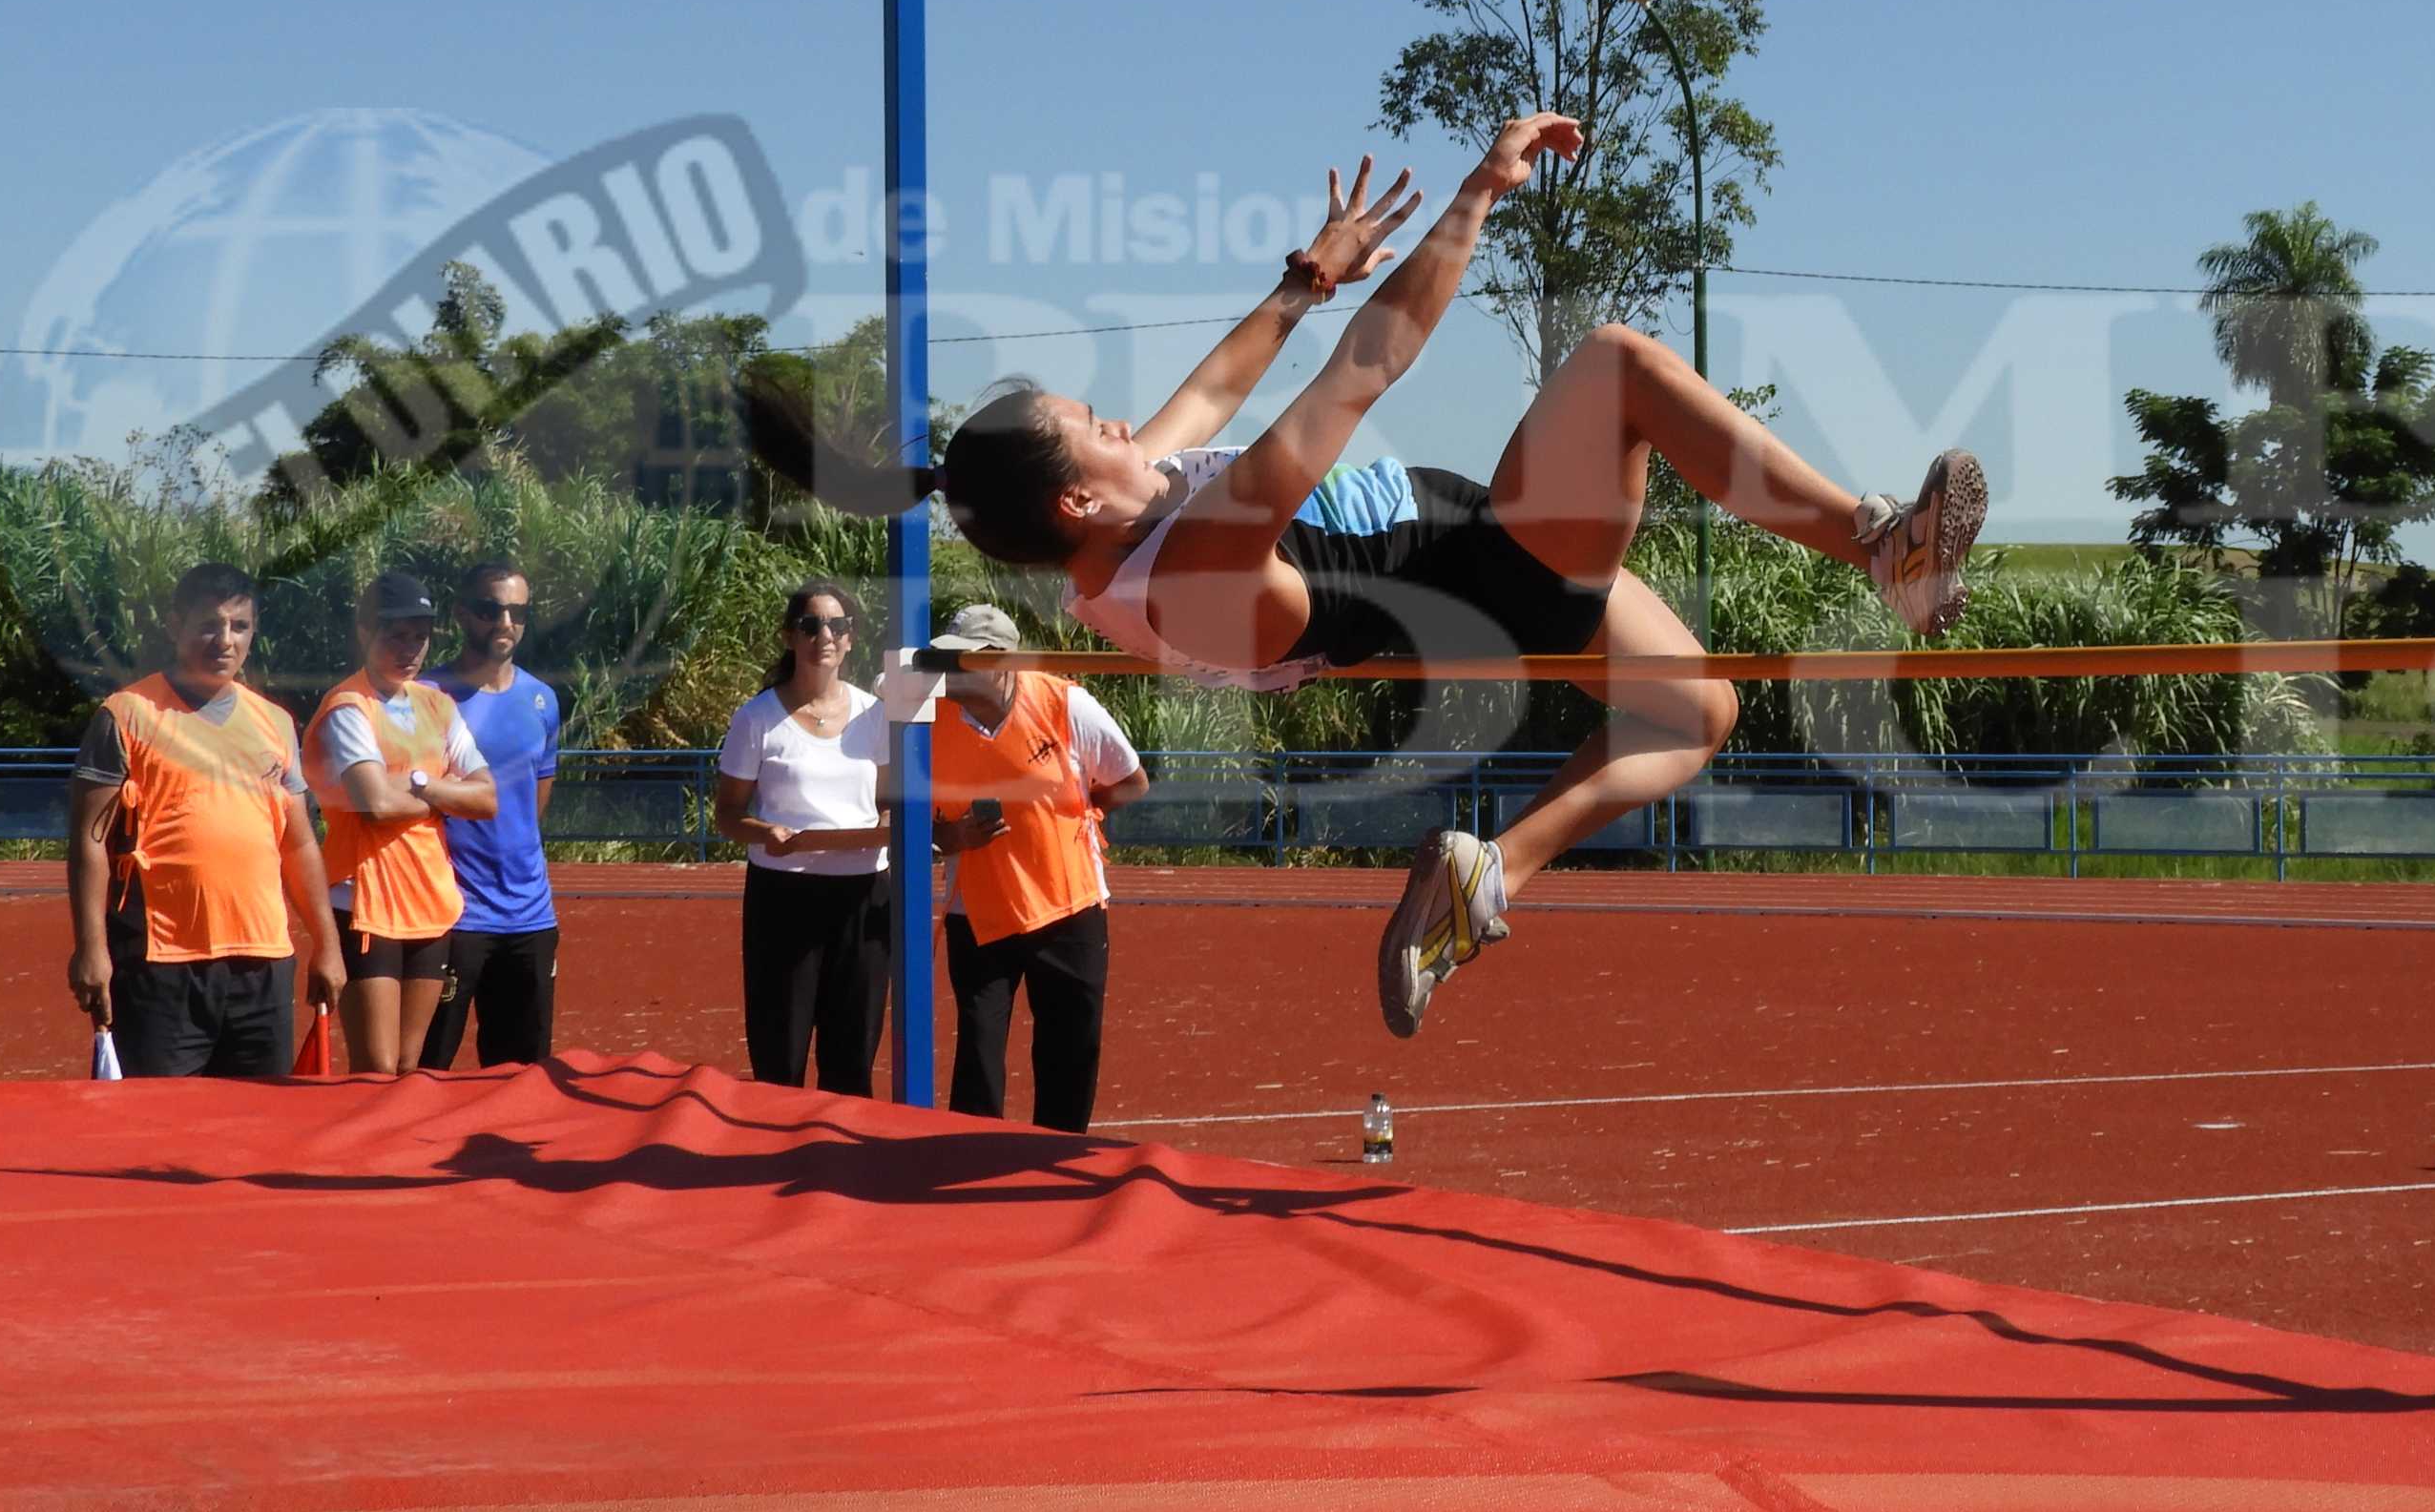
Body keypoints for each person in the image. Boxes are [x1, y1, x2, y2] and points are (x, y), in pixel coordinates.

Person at [931, 120, 1983, 1039]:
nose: (1124, 423)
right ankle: (1881, 549)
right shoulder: (1193, 570)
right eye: (1095, 425)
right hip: (1492, 571)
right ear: (1073, 499)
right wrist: (1480, 189)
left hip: (1478, 555)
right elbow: (1366, 368)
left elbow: (1210, 391)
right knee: (1618, 365)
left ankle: (1488, 875)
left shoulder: (1118, 543)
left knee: (1697, 711)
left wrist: (1305, 280)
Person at [64, 562, 343, 1079]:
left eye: (240, 626)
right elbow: (89, 840)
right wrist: (91, 949)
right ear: (176, 626)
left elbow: (299, 844)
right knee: (159, 1119)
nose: (225, 640)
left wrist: (327, 945)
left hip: (263, 964)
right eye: (210, 625)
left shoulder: (275, 724)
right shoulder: (126, 715)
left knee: (257, 1120)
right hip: (159, 963)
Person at [921, 603, 1150, 1133]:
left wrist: (1076, 811)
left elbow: (1131, 780)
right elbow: (905, 810)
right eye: (947, 659)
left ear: (1004, 660)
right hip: (978, 910)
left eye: (965, 660)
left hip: (1067, 904)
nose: (951, 671)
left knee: (1070, 1046)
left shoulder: (1065, 704)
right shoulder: (929, 719)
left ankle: (1057, 1150)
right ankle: (973, 1151)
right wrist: (949, 836)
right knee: (979, 1049)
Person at [306, 570, 501, 1073]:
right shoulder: (348, 707)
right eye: (396, 635)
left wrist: (418, 786)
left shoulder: (438, 704)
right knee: (376, 1067)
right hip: (365, 898)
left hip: (428, 896)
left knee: (411, 1064)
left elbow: (487, 799)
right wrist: (444, 795)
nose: (410, 649)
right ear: (364, 632)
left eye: (420, 636)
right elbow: (374, 804)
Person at [712, 579, 895, 1095]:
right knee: (781, 1054)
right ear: (790, 636)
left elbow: (885, 800)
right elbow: (727, 814)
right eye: (811, 625)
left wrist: (883, 828)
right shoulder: (757, 718)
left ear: (851, 638)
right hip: (784, 896)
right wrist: (766, 831)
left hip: (863, 894)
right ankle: (774, 1142)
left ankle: (843, 1148)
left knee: (852, 1057)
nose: (825, 636)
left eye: (837, 625)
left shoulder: (875, 715)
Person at [420, 559, 567, 1070]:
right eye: (490, 609)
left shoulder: (542, 700)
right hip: (451, 914)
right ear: (462, 613)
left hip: (530, 917)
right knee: (426, 1069)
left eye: (518, 612)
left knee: (522, 1078)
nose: (505, 622)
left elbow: (532, 804)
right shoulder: (426, 696)